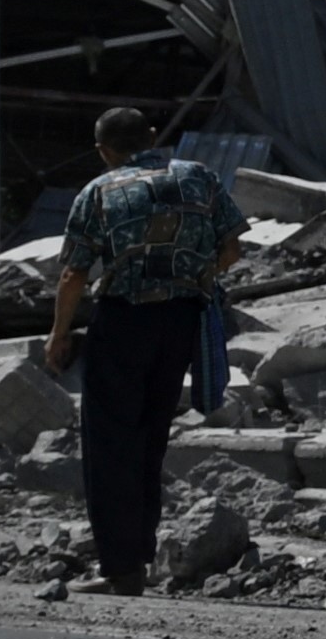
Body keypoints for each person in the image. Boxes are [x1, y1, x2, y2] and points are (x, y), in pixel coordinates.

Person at [37, 106, 241, 599]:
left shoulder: (99, 191)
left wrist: (59, 334)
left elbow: (74, 274)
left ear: (104, 150)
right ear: (153, 137)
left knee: (110, 446)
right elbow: (233, 246)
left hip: (124, 322)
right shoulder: (199, 177)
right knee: (151, 440)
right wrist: (198, 277)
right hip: (180, 323)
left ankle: (121, 568)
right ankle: (141, 558)